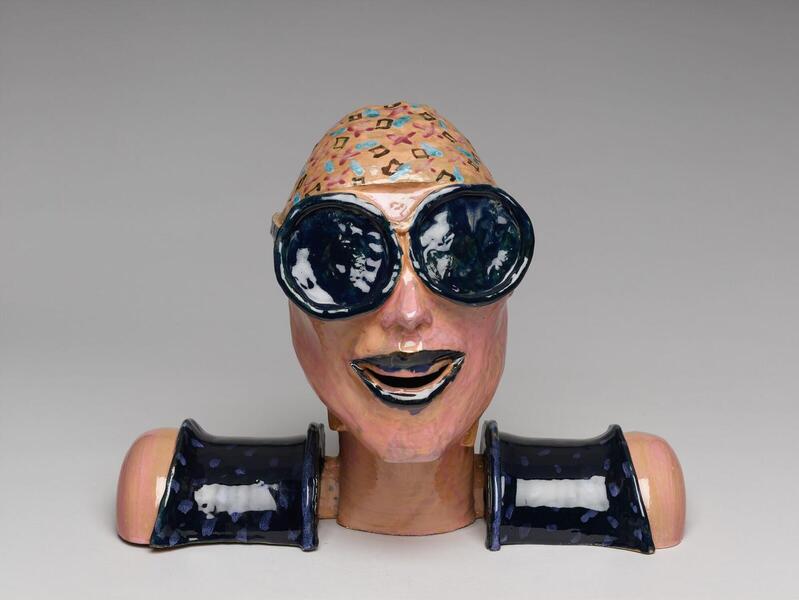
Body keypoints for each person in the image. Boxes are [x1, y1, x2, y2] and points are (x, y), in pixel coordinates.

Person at [117, 102, 684, 550]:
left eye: (459, 257)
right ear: (297, 305)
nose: (408, 312)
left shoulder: (635, 484)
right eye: (345, 264)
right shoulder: (169, 481)